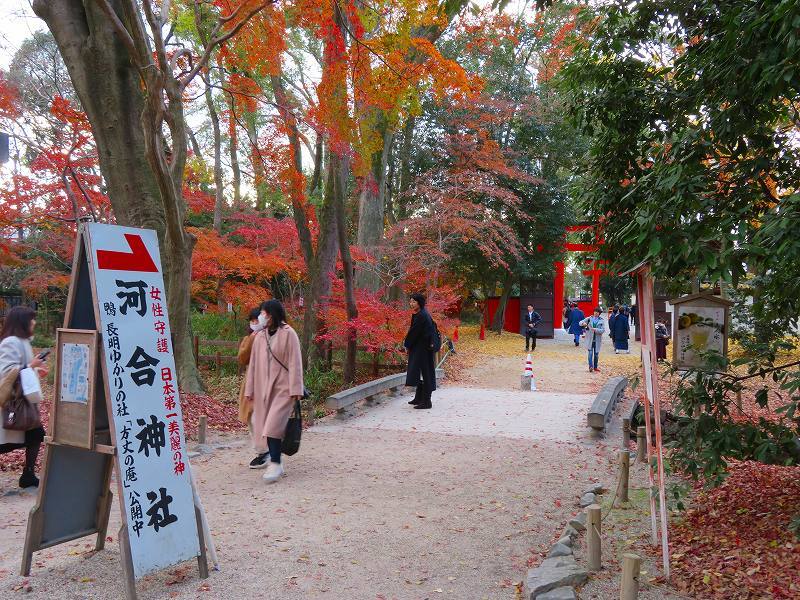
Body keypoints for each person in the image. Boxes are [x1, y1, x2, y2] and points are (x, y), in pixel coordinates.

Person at [244, 300, 304, 483]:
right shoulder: (260, 337)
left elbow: (295, 362)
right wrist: (250, 389)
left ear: (273, 314)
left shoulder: (289, 334)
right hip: (263, 387)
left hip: (283, 388)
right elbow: (253, 364)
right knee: (265, 426)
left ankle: (275, 462)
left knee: (272, 425)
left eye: (264, 313)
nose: (261, 317)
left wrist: (296, 388)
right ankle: (274, 461)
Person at [0, 306, 47, 488]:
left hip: (23, 402)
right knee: (8, 442)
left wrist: (36, 370)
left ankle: (28, 475)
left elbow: (23, 369)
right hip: (14, 403)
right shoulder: (11, 342)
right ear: (22, 322)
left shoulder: (23, 341)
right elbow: (6, 373)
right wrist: (31, 365)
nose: (34, 322)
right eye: (31, 319)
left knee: (36, 435)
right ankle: (28, 475)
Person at [237, 307, 262, 466]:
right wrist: (252, 339)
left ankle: (266, 450)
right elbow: (242, 358)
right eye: (252, 321)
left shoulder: (273, 336)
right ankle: (262, 450)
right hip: (251, 384)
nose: (254, 323)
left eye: (257, 320)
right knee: (252, 418)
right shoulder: (249, 338)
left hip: (268, 383)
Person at [404, 293, 437, 410]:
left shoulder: (422, 315)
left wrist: (406, 344)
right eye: (410, 301)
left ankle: (427, 401)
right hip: (421, 348)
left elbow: (414, 332)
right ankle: (419, 397)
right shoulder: (421, 314)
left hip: (423, 349)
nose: (411, 303)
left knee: (426, 373)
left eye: (413, 301)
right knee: (420, 371)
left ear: (419, 302)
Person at [580, 307, 606, 372]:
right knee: (590, 353)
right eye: (595, 311)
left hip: (597, 340)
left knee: (596, 355)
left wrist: (595, 330)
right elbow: (580, 322)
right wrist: (583, 323)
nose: (595, 313)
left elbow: (602, 330)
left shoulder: (601, 321)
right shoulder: (589, 318)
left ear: (599, 313)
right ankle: (590, 366)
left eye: (597, 312)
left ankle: (595, 367)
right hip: (589, 339)